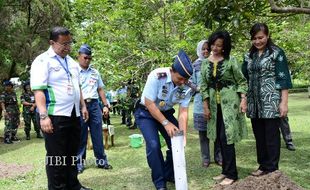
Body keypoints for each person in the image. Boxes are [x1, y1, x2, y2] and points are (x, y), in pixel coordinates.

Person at [30, 27, 91, 190]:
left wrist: (83, 106)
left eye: (69, 43)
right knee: (57, 157)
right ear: (52, 42)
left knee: (72, 153)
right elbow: (39, 90)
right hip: (54, 115)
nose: (67, 47)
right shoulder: (42, 61)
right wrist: (43, 116)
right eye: (63, 44)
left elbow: (77, 86)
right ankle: (58, 187)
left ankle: (73, 185)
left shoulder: (71, 62)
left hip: (73, 114)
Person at [134, 49, 193, 190]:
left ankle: (168, 173)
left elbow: (183, 112)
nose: (183, 82)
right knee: (154, 145)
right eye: (180, 79)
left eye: (186, 80)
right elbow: (149, 103)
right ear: (172, 71)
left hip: (166, 112)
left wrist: (182, 134)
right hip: (146, 113)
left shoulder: (187, 87)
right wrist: (166, 124)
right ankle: (160, 182)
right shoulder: (156, 76)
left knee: (176, 142)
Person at [242, 23, 292, 177]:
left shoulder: (276, 53)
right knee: (259, 136)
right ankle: (262, 165)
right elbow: (243, 77)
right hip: (254, 103)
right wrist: (243, 98)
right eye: (255, 38)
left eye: (261, 37)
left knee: (271, 136)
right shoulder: (248, 56)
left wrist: (284, 103)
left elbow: (283, 78)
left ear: (268, 36)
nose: (258, 41)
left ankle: (272, 168)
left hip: (271, 102)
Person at [200, 31, 248, 185]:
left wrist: (243, 100)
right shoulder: (205, 63)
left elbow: (241, 81)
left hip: (230, 104)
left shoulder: (231, 61)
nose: (214, 48)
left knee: (227, 138)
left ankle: (232, 174)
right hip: (214, 106)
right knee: (220, 139)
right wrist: (206, 106)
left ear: (224, 47)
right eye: (213, 44)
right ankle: (225, 171)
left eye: (219, 45)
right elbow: (203, 86)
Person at [76, 44, 112, 174]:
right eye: (85, 57)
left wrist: (105, 105)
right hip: (80, 106)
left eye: (89, 58)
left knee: (97, 134)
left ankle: (101, 161)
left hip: (95, 105)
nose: (87, 60)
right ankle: (79, 163)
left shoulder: (95, 72)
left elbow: (100, 89)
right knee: (81, 135)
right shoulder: (73, 72)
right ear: (79, 56)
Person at [191, 40, 222, 168]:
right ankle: (205, 158)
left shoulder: (215, 62)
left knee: (217, 132)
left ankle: (218, 157)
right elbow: (189, 82)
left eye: (207, 49)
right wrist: (198, 88)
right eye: (203, 49)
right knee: (203, 134)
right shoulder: (195, 65)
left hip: (215, 102)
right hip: (200, 103)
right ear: (199, 50)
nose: (205, 51)